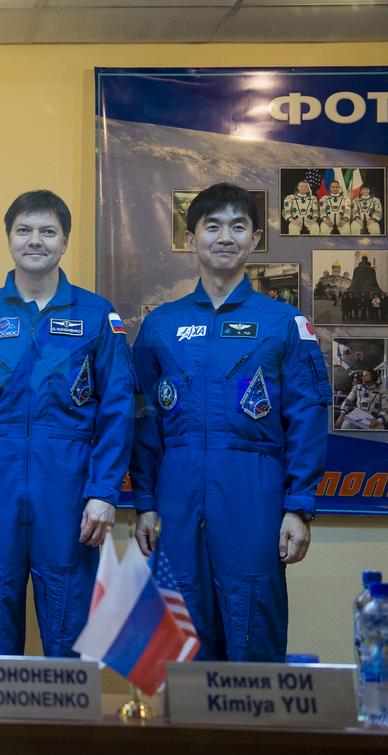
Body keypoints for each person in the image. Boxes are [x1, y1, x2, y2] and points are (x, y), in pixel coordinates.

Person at [131, 183, 332, 662]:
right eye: (213, 226)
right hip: (176, 494)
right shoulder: (160, 325)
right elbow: (143, 421)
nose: (226, 236)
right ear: (192, 237)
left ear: (254, 238)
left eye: (238, 226)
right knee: (179, 633)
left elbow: (307, 417)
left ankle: (255, 734)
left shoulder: (283, 323)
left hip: (253, 491)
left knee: (252, 622)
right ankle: (186, 739)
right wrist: (145, 503)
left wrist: (298, 506)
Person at [0, 190, 134, 657]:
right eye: (24, 230)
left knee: (69, 635)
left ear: (65, 241)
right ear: (9, 239)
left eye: (48, 231)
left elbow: (119, 409)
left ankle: (65, 730)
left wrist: (104, 491)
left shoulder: (96, 316)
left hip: (67, 493)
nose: (35, 241)